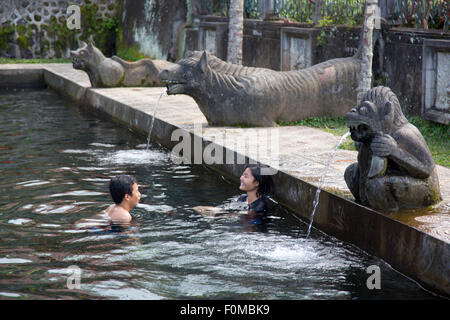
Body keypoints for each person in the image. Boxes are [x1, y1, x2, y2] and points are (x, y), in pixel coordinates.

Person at [194, 164, 275, 224]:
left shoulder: (260, 206)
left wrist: (216, 216)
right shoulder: (243, 198)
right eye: (242, 175)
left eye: (245, 176)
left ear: (256, 183)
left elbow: (244, 217)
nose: (241, 178)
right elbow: (227, 211)